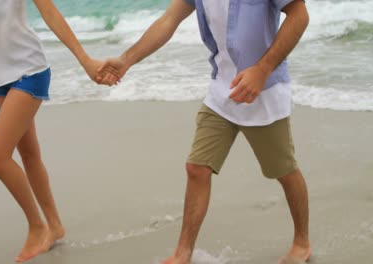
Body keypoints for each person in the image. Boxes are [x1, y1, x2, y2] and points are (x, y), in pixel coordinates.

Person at [97, 0, 310, 263]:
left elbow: (299, 16)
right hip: (222, 90)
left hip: (262, 93)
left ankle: (302, 242)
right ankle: (183, 253)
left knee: (285, 171)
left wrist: (263, 70)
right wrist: (126, 60)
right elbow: (168, 21)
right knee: (197, 168)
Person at [0, 0, 118, 262]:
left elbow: (50, 13)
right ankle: (55, 226)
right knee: (29, 154)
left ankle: (37, 227)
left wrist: (85, 60)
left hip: (29, 71)